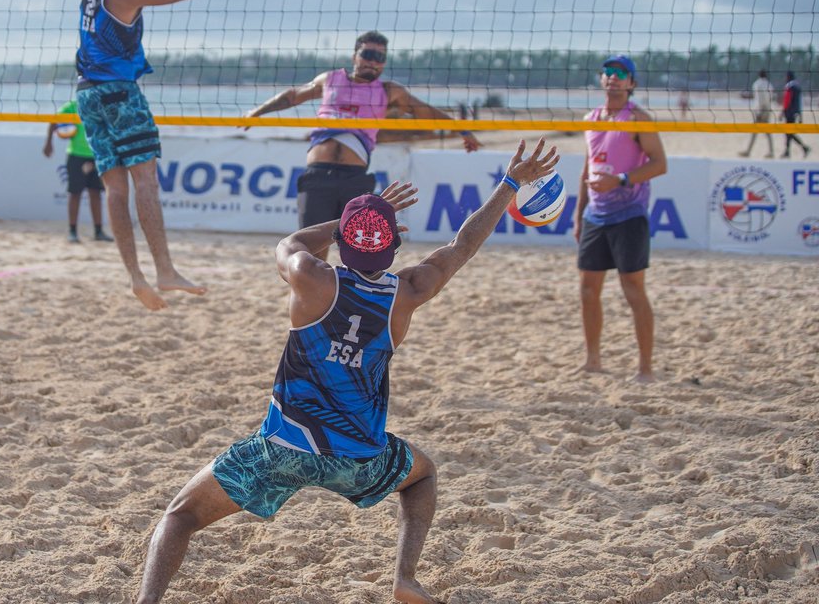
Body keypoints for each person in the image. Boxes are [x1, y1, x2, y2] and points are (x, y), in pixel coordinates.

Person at [134, 142, 561, 604]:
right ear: (395, 245)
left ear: (342, 241)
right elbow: (463, 245)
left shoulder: (310, 276)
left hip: (282, 449)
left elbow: (289, 244)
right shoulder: (410, 290)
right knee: (422, 476)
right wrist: (510, 184)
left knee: (179, 517)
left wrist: (344, 225)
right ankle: (404, 578)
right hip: (359, 459)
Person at [62, 0, 203, 310]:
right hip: (120, 93)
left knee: (114, 187)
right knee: (144, 181)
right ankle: (163, 270)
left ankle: (135, 278)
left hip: (86, 94)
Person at [244, 30, 482, 261]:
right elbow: (293, 95)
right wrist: (257, 112)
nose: (373, 62)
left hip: (354, 178)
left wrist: (462, 129)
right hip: (317, 177)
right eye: (368, 54)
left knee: (361, 250)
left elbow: (427, 111)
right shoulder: (330, 79)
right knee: (311, 253)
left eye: (379, 57)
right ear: (355, 56)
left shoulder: (389, 91)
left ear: (384, 63)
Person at [573, 55, 668, 384]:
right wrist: (578, 215)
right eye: (608, 73)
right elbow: (587, 170)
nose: (612, 78)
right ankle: (592, 360)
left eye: (620, 74)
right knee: (588, 290)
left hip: (629, 214)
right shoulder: (592, 118)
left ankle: (645, 368)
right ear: (601, 80)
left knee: (633, 291)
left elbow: (659, 164)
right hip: (595, 215)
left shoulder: (639, 118)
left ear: (631, 83)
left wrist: (622, 179)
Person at [42, 99, 112, 243]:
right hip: (76, 155)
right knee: (75, 193)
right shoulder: (72, 106)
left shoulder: (101, 104)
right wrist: (49, 142)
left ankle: (98, 231)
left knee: (96, 193)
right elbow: (53, 121)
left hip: (97, 154)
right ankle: (72, 231)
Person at [738, 70, 774, 159]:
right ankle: (771, 151)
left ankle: (748, 151)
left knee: (755, 131)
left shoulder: (757, 84)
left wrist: (759, 112)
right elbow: (770, 97)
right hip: (768, 109)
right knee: (767, 132)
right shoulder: (769, 84)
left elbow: (759, 98)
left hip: (760, 109)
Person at [781, 71, 811, 158]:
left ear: (788, 77)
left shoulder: (790, 86)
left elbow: (787, 100)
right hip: (795, 112)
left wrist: (783, 111)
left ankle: (804, 148)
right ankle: (788, 151)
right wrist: (800, 115)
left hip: (789, 112)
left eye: (786, 77)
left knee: (789, 132)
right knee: (789, 132)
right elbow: (799, 102)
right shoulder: (797, 86)